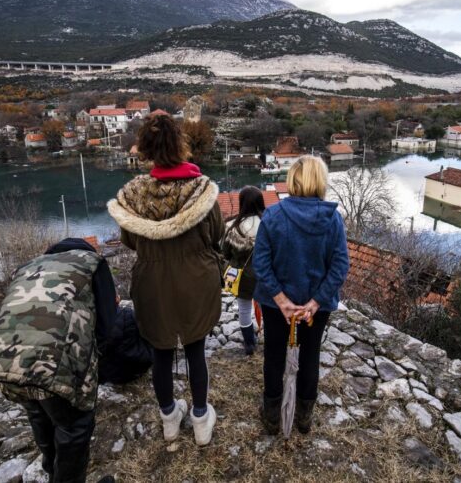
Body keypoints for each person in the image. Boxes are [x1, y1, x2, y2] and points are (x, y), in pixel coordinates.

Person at [107, 113, 223, 446]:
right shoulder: (201, 191)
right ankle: (201, 419)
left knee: (159, 352)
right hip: (196, 280)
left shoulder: (133, 195)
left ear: (145, 149)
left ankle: (170, 419)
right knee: (195, 350)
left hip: (152, 282)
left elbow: (130, 240)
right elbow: (215, 234)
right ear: (180, 145)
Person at [0, 238, 116, 483]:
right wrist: (93, 365)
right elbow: (107, 323)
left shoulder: (28, 266)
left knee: (39, 412)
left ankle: (53, 472)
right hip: (51, 358)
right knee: (74, 427)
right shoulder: (93, 262)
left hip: (0, 355)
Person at [253, 155, 349, 435]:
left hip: (274, 305)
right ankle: (304, 418)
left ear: (292, 179)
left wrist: (281, 300)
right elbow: (341, 265)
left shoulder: (273, 214)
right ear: (320, 181)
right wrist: (315, 302)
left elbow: (261, 263)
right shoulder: (333, 219)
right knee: (310, 356)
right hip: (314, 309)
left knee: (273, 355)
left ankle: (272, 417)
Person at [221, 186, 266, 355]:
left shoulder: (231, 227)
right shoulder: (268, 224)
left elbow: (224, 253)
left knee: (244, 309)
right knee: (267, 309)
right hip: (264, 276)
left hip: (242, 278)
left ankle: (249, 344)